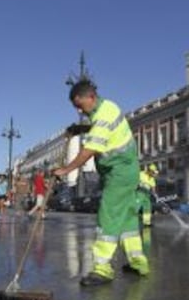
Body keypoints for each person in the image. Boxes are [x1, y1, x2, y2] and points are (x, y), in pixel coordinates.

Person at [53, 79, 149, 287]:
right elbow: (96, 132)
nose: (80, 110)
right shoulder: (106, 108)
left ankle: (102, 269)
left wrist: (67, 169)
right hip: (125, 171)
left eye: (80, 105)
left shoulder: (103, 116)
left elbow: (88, 151)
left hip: (119, 172)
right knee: (128, 220)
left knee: (108, 215)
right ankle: (138, 262)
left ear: (91, 97)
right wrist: (79, 129)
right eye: (76, 108)